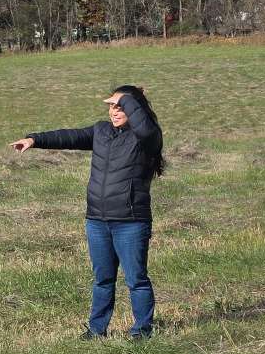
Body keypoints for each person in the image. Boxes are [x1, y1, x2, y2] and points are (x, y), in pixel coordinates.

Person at [10, 85, 167, 339]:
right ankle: (96, 330)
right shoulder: (101, 131)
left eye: (120, 107)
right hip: (97, 221)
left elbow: (145, 127)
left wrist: (127, 98)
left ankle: (142, 330)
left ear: (134, 108)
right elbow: (68, 136)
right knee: (102, 280)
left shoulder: (146, 138)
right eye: (111, 106)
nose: (113, 111)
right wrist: (34, 139)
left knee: (136, 280)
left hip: (130, 221)